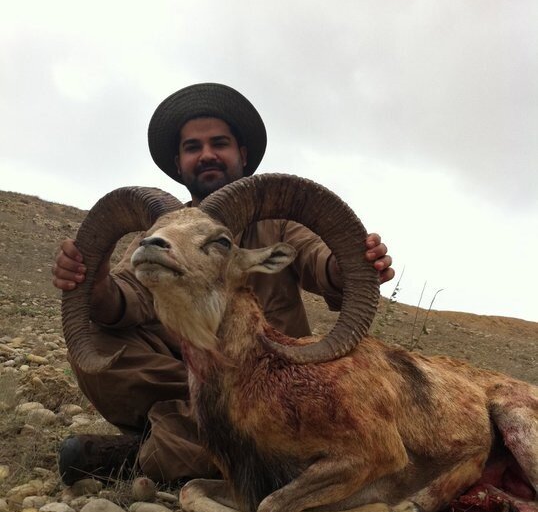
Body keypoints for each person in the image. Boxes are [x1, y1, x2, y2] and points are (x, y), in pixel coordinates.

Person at [52, 83, 394, 485]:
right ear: (179, 164)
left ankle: (164, 448)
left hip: (274, 379)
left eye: (220, 143)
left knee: (251, 410)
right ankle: (207, 439)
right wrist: (95, 290)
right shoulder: (167, 229)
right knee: (99, 344)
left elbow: (319, 260)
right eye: (192, 147)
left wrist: (350, 264)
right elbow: (127, 295)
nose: (207, 154)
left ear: (242, 155)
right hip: (194, 381)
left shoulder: (277, 221)